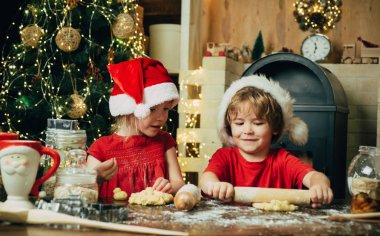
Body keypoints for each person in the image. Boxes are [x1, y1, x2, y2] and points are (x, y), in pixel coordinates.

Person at [200, 75, 333, 208]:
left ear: (275, 127)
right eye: (239, 123)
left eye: (258, 123)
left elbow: (314, 176)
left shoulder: (283, 160)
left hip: (275, 226)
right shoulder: (224, 157)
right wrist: (215, 186)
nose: (248, 131)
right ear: (230, 126)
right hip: (231, 226)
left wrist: (319, 186)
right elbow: (206, 178)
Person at [87, 58, 185, 199]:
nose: (161, 117)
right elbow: (83, 187)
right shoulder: (101, 149)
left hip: (155, 219)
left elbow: (178, 182)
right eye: (152, 109)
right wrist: (96, 177)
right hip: (112, 220)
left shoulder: (164, 142)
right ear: (130, 109)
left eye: (165, 109)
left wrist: (170, 186)